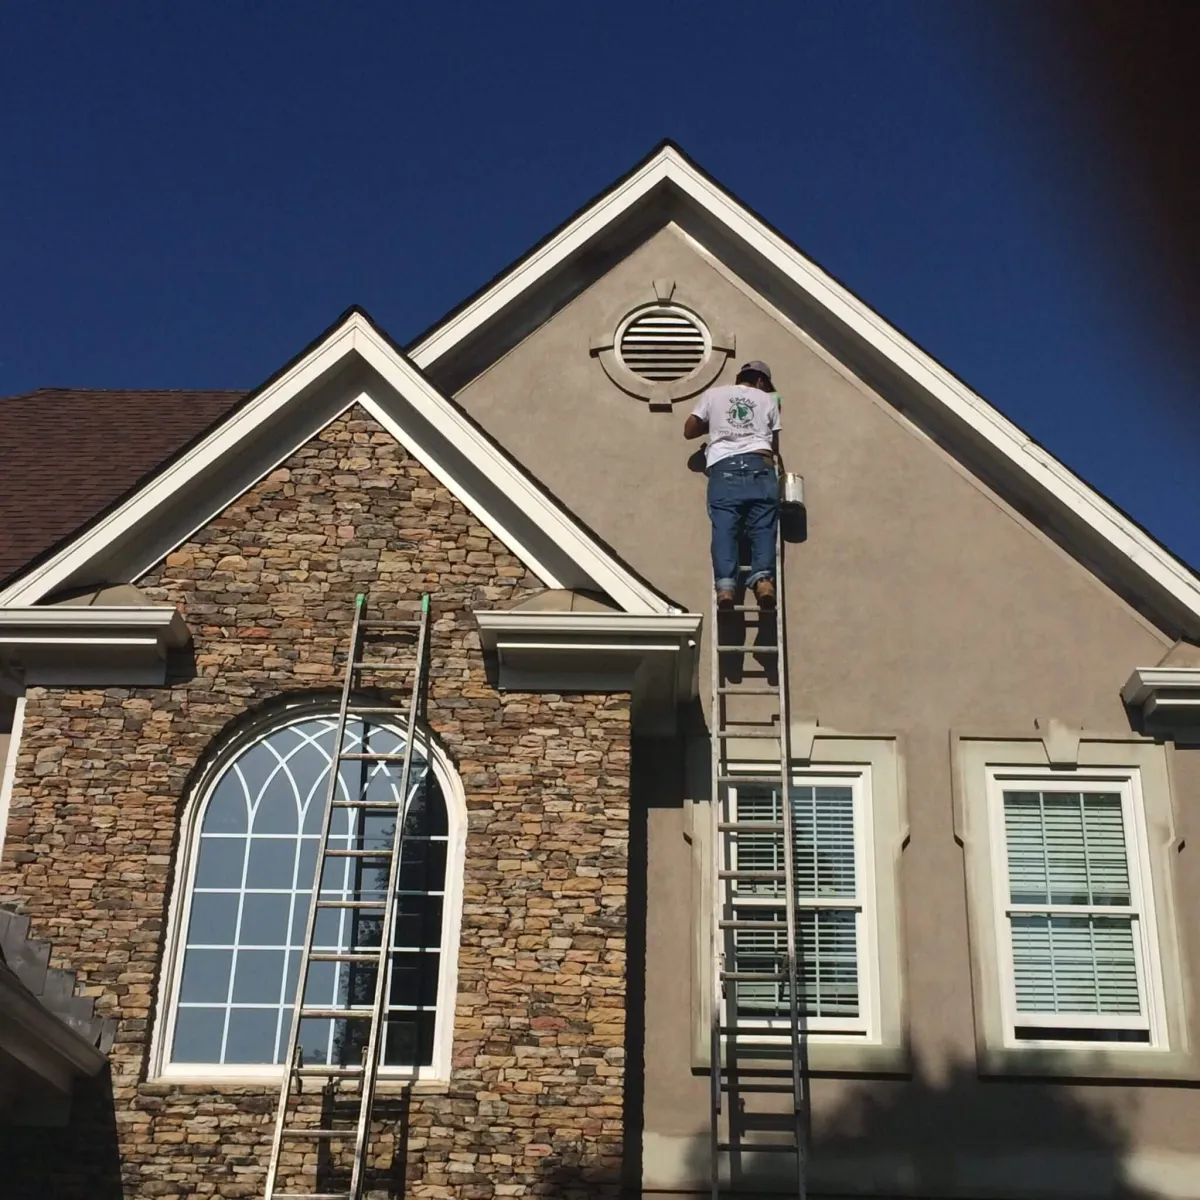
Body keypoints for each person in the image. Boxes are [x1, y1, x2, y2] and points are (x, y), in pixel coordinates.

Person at [684, 360, 781, 610]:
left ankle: (726, 588)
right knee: (763, 527)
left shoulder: (714, 394)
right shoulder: (769, 400)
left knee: (725, 528)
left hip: (724, 467)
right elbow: (774, 446)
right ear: (760, 381)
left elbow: (689, 430)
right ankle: (764, 583)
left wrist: (715, 425)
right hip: (760, 465)